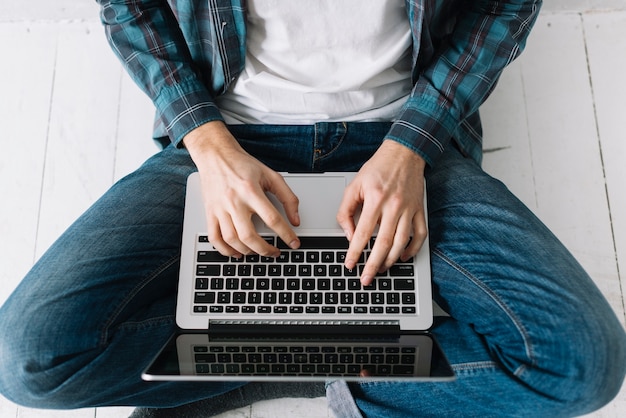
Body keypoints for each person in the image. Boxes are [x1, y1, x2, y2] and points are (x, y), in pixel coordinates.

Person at [0, 0, 625, 417]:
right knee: (28, 359)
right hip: (230, 140)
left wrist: (411, 146)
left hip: (402, 135)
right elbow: (128, 6)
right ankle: (336, 359)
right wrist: (208, 144)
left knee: (583, 364)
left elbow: (505, 6)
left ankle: (284, 367)